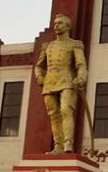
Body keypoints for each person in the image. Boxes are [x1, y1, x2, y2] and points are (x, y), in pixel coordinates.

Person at [34, 14, 88, 154]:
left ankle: (68, 143)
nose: (56, 26)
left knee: (66, 111)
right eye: (55, 23)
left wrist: (81, 78)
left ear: (67, 26)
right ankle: (58, 145)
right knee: (53, 114)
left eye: (60, 23)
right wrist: (39, 76)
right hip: (49, 82)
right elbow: (39, 66)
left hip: (67, 80)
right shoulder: (48, 46)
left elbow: (81, 65)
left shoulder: (74, 44)